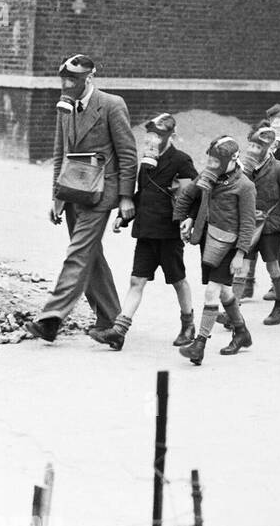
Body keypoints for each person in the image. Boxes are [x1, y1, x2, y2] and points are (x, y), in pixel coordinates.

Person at [27, 55, 138, 344]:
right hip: (73, 190)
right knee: (90, 256)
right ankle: (113, 322)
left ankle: (51, 318)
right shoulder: (64, 107)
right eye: (63, 79)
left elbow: (127, 154)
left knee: (77, 253)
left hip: (101, 193)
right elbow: (59, 153)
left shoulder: (112, 105)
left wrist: (126, 197)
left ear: (88, 79)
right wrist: (56, 197)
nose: (66, 85)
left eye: (72, 80)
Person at [90, 113, 197, 351]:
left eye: (158, 135)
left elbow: (194, 194)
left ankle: (188, 324)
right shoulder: (146, 164)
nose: (152, 140)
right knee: (136, 280)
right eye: (150, 135)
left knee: (178, 281)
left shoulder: (181, 161)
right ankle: (119, 332)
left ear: (171, 137)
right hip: (147, 233)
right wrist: (123, 217)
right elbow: (142, 195)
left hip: (169, 235)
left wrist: (188, 218)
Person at [174, 137, 258, 365]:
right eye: (211, 160)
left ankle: (199, 345)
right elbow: (188, 196)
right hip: (209, 241)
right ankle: (242, 332)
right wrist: (185, 218)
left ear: (234, 159)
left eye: (218, 161)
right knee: (224, 292)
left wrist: (241, 254)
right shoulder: (208, 176)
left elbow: (249, 223)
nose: (213, 165)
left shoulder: (245, 186)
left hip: (230, 246)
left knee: (212, 291)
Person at [239, 125, 280, 325]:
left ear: (267, 148)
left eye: (257, 146)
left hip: (271, 225)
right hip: (249, 223)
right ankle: (234, 312)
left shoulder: (279, 168)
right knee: (242, 267)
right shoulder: (244, 168)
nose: (252, 150)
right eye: (251, 145)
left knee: (272, 267)